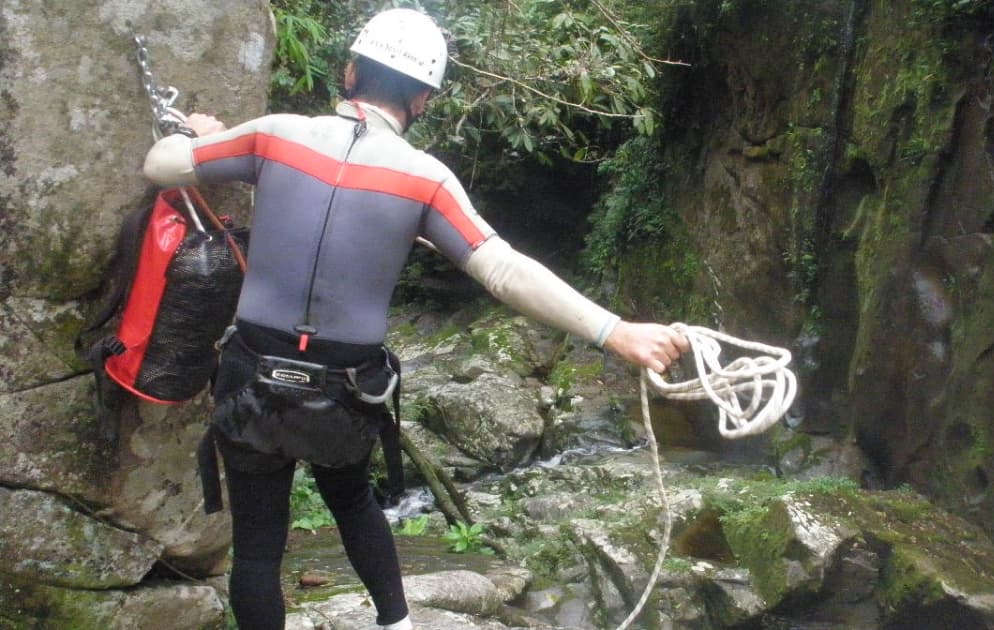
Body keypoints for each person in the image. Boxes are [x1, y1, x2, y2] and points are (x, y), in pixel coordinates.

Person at [142, 8, 689, 630]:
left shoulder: (273, 135)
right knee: (350, 499)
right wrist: (615, 332)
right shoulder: (426, 180)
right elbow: (503, 271)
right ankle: (397, 624)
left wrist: (198, 136)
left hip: (252, 375)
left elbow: (161, 166)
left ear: (349, 70)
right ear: (424, 99)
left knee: (260, 548)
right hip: (345, 387)